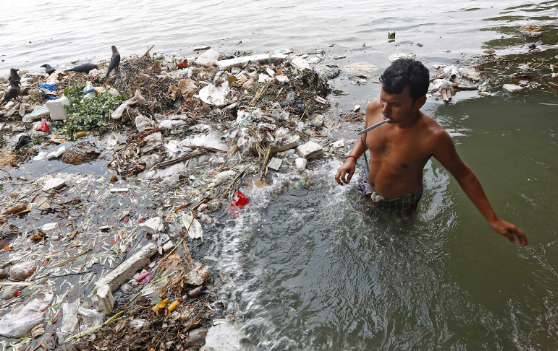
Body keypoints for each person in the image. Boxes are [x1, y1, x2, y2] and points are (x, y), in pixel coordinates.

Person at [335, 59, 527, 246]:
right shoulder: (373, 108)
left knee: (396, 244)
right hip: (368, 188)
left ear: (419, 102)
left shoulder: (432, 137)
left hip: (400, 202)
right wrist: (352, 158)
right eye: (383, 100)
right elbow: (365, 136)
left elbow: (464, 175)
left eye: (395, 105)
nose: (385, 110)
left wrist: (493, 220)